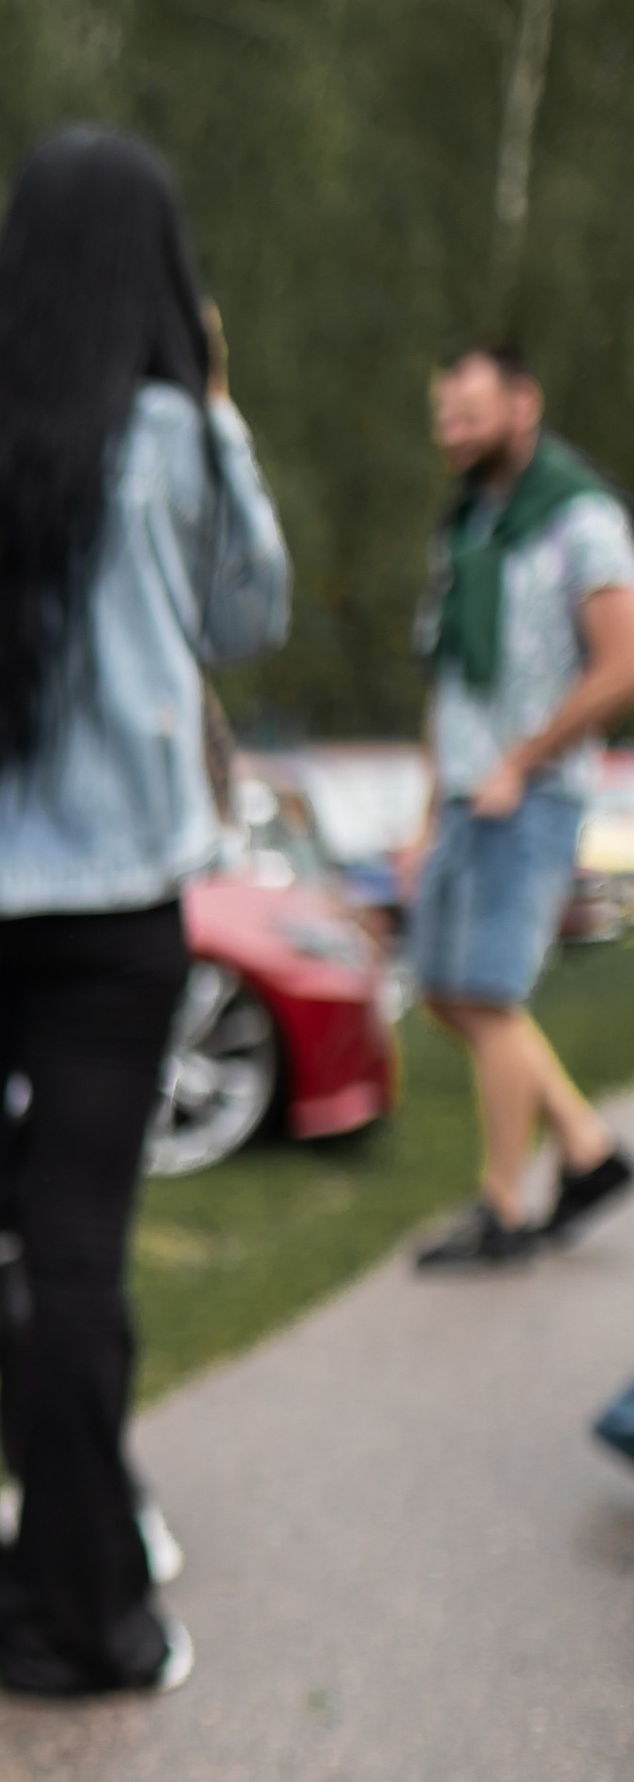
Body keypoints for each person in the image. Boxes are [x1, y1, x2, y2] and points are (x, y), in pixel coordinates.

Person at [0, 128, 290, 1697]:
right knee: (77, 1259)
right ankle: (80, 1616)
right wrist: (218, 407)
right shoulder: (170, 436)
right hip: (113, 920)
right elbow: (251, 616)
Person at [403, 341, 634, 1268]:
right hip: (464, 796)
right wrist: (426, 813)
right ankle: (583, 1148)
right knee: (444, 989)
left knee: (490, 995)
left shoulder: (579, 518)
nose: (452, 431)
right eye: (444, 415)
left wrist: (523, 760)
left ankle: (503, 1210)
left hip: (529, 795)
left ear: (523, 405)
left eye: (470, 412)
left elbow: (621, 665)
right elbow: (450, 685)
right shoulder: (468, 527)